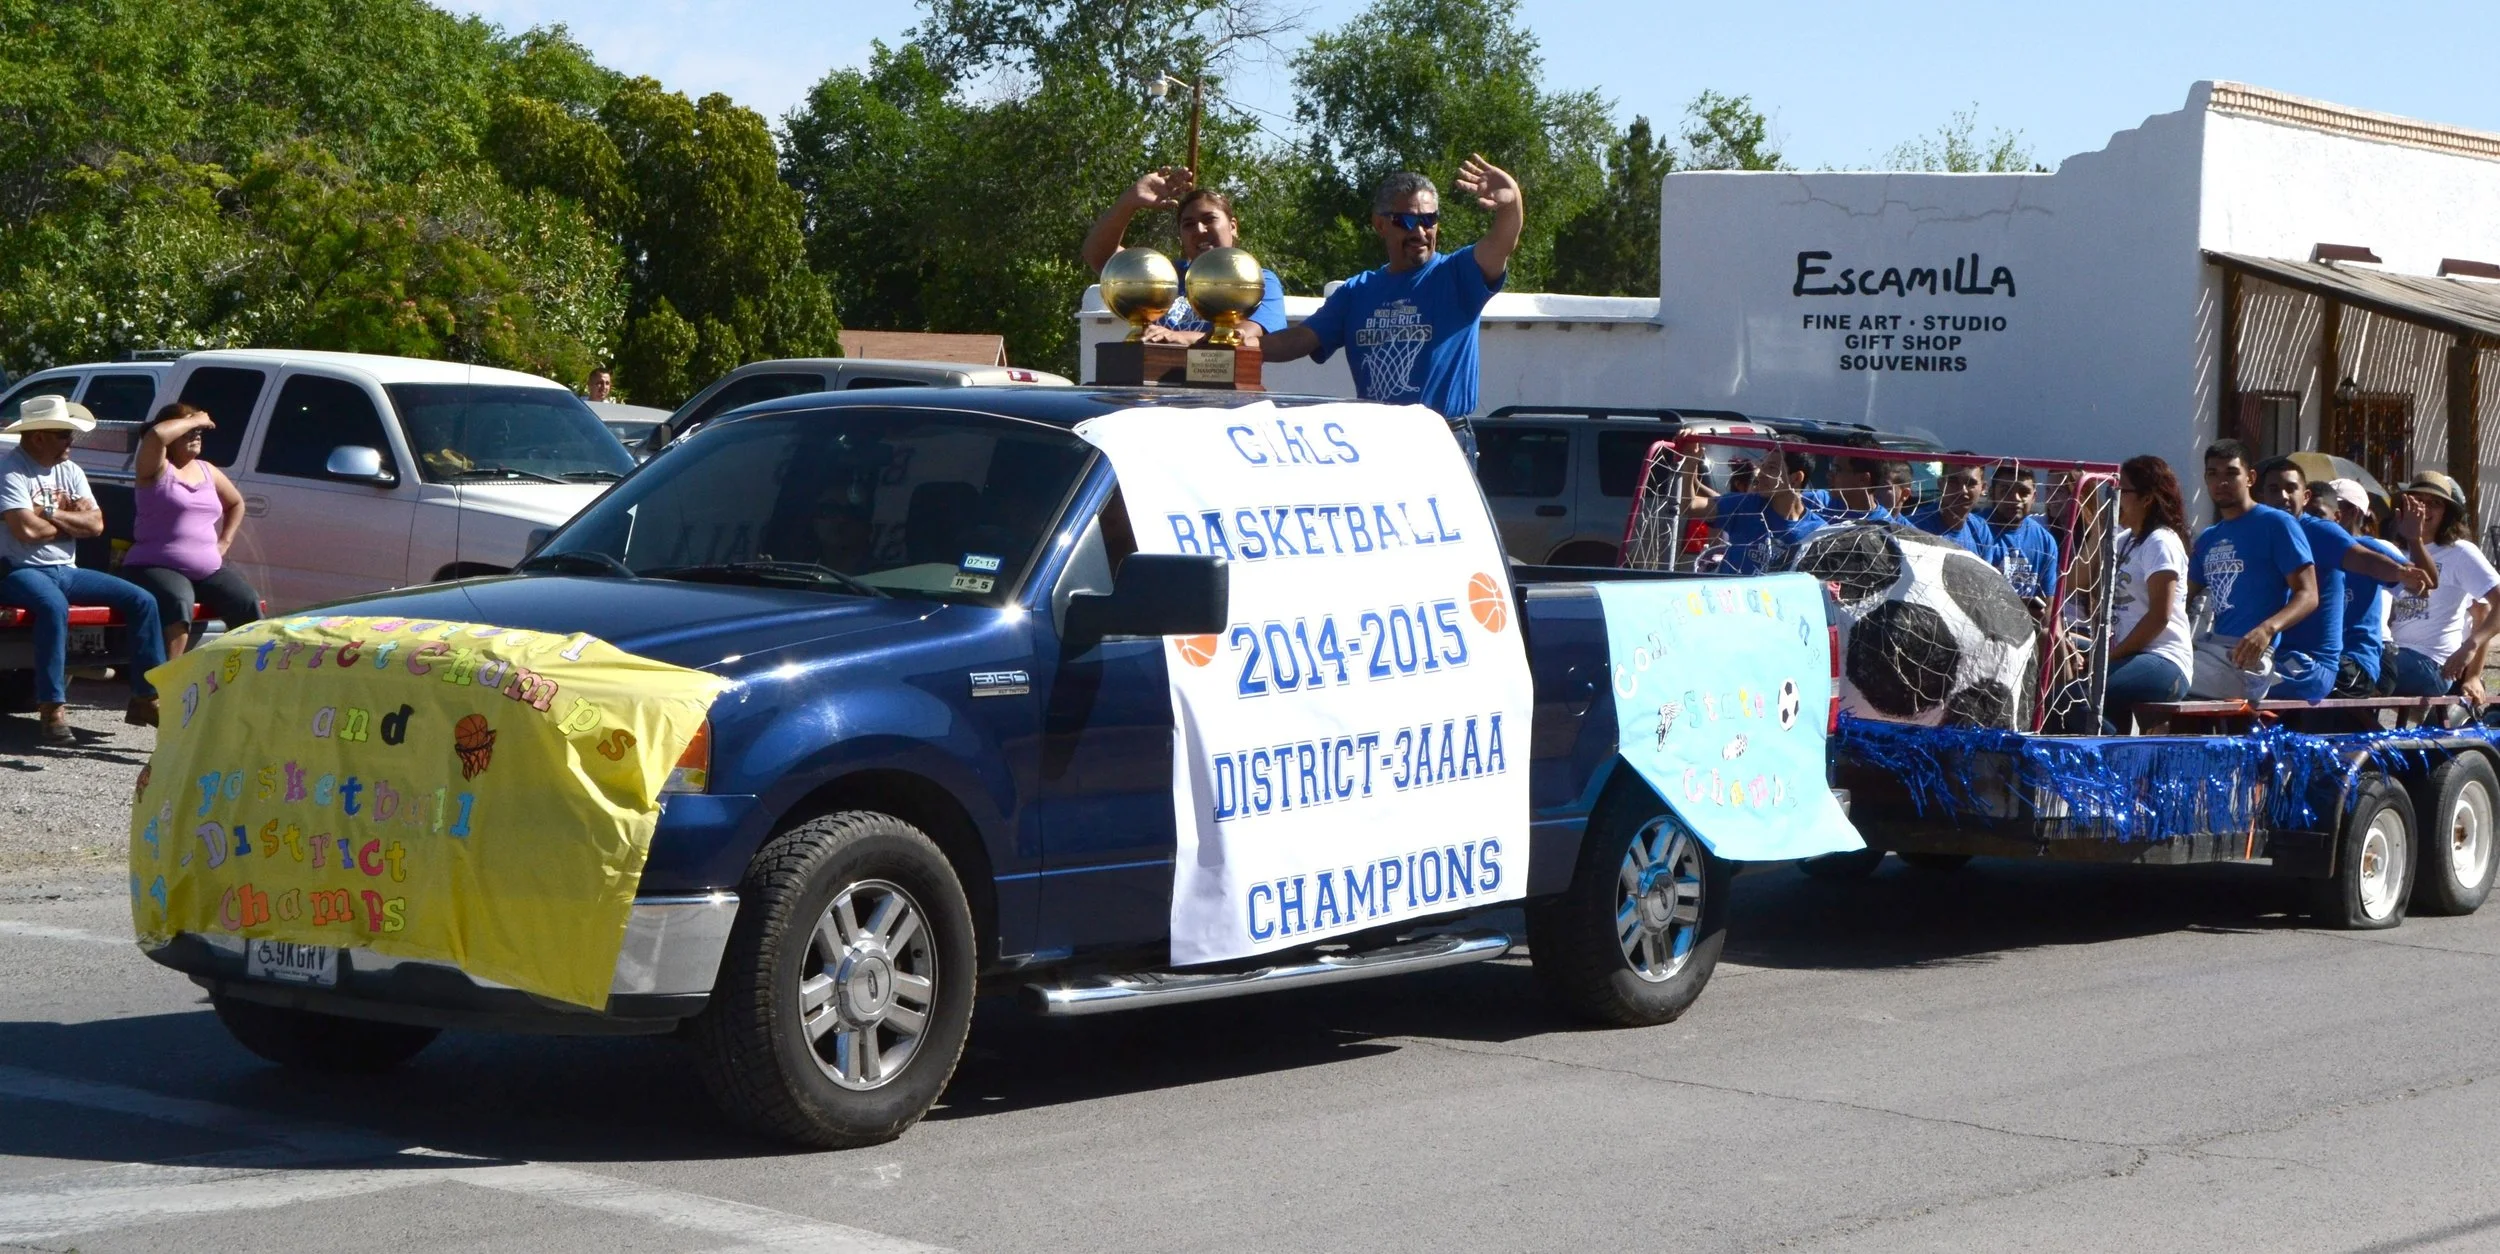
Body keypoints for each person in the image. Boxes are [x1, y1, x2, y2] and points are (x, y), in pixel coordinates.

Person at [1264, 158, 1522, 455]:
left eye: (1429, 220)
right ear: (1380, 224)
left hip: (1442, 440)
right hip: (1378, 441)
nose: (1420, 232)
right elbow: (1297, 341)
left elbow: (1502, 244)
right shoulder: (1358, 290)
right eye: (1407, 221)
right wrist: (1234, 346)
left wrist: (1511, 201)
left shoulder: (1457, 274)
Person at [0, 396, 162, 739]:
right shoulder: (10, 471)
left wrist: (47, 513)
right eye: (63, 433)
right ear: (38, 436)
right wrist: (71, 519)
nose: (71, 440)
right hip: (19, 569)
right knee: (52, 606)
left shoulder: (70, 471)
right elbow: (23, 531)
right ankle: (52, 708)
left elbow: (97, 525)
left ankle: (146, 696)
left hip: (66, 570)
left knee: (142, 600)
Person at [2250, 458, 2426, 702]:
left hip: (2346, 663)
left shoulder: (2329, 536)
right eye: (2273, 489)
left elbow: (2374, 563)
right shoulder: (2259, 535)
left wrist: (2408, 557)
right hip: (2287, 656)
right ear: (2260, 495)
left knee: (2257, 685)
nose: (2283, 496)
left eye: (2291, 488)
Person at [1081, 169, 1288, 347]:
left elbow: (1243, 334)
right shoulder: (1165, 276)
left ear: (1233, 226)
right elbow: (1100, 257)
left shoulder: (1259, 281)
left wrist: (1180, 338)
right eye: (1188, 224)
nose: (1199, 229)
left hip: (1216, 389)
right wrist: (1130, 201)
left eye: (1209, 219)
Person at [122, 403, 261, 660]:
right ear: (172, 434)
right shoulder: (155, 467)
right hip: (154, 565)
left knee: (246, 601)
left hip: (207, 570)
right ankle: (163, 686)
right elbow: (155, 436)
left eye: (199, 431)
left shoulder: (208, 470)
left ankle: (250, 674)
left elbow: (235, 503)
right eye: (189, 431)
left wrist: (224, 543)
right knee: (177, 601)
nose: (196, 435)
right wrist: (196, 419)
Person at [2185, 439, 2315, 701]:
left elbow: (2309, 595)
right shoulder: (2209, 538)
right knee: (2148, 673)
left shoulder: (2276, 523)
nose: (2222, 481)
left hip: (2248, 659)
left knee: (2163, 679)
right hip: (2210, 650)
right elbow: (2180, 597)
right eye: (2213, 473)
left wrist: (2267, 630)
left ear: (2250, 477)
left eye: (2231, 473)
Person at [2094, 455, 2196, 729]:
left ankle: (2111, 763)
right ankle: (2113, 755)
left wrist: (2109, 658)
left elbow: (2158, 617)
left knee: (2087, 693)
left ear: (2147, 498)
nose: (2113, 498)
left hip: (2163, 659)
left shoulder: (2161, 541)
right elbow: (2074, 580)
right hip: (2128, 654)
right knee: (2064, 681)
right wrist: (2095, 522)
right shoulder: (2124, 540)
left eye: (2120, 491)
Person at [2384, 471, 2500, 700]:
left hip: (2433, 665)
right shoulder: (2393, 551)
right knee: (2352, 665)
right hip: (2393, 652)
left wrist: (2471, 650)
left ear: (2446, 513)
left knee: (2357, 672)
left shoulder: (2460, 552)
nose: (2425, 508)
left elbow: (2486, 608)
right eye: (2418, 501)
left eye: (2434, 503)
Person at [2321, 479, 2432, 696]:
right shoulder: (2314, 548)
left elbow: (2424, 585)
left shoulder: (2376, 549)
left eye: (2333, 508)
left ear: (2351, 512)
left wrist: (2414, 539)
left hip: (2370, 658)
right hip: (2331, 653)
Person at [1677, 442, 1823, 574]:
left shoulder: (1817, 532)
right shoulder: (1747, 505)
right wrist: (1690, 462)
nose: (1761, 474)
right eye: (1762, 465)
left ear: (1796, 478)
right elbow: (1690, 506)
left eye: (1771, 468)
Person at [1984, 463, 2060, 603]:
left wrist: (2045, 622)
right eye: (2005, 491)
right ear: (1991, 493)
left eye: (2023, 493)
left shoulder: (2045, 541)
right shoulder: (1976, 530)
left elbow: (2049, 604)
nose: (2015, 498)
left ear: (2034, 496)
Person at [1906, 459, 2000, 561]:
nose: (1963, 490)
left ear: (1983, 488)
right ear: (1941, 484)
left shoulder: (1981, 530)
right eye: (1954, 482)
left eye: (1970, 483)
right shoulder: (1916, 526)